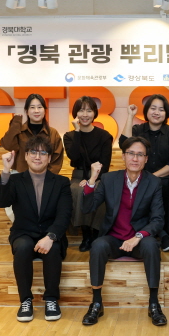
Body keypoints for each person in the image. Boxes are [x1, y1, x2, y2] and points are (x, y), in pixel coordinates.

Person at [81, 136, 167, 326]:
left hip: (138, 240)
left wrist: (138, 237)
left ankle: (154, 304)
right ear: (123, 156)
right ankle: (96, 303)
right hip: (114, 238)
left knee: (152, 245)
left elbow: (158, 219)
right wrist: (92, 179)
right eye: (131, 153)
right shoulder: (109, 179)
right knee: (97, 246)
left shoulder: (153, 182)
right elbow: (88, 208)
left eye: (140, 155)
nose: (135, 158)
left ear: (146, 159)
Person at [0, 135, 72, 322]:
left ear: (49, 158)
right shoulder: (15, 180)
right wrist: (6, 170)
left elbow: (64, 215)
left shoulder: (61, 182)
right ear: (26, 156)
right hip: (23, 232)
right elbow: (1, 201)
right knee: (22, 247)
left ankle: (51, 299)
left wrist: (51, 236)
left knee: (53, 250)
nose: (38, 156)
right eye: (33, 152)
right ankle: (25, 301)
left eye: (43, 153)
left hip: (50, 233)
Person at [119, 95, 169, 252]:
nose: (156, 112)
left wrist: (153, 177)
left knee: (164, 186)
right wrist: (130, 116)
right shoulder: (138, 130)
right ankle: (164, 234)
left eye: (161, 109)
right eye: (153, 108)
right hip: (142, 179)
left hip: (167, 177)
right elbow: (124, 144)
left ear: (166, 113)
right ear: (147, 111)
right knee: (152, 188)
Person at [63, 96, 113, 252]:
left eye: (89, 110)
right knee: (78, 190)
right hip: (78, 176)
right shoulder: (69, 136)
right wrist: (77, 132)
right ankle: (86, 235)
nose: (85, 114)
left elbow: (105, 165)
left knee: (99, 189)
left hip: (99, 175)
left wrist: (91, 179)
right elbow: (74, 156)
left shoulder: (104, 136)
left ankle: (97, 234)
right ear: (75, 113)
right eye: (81, 110)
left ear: (95, 113)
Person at [0, 93, 64, 174]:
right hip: (20, 175)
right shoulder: (19, 131)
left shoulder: (53, 133)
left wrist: (48, 177)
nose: (36, 111)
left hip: (44, 176)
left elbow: (57, 159)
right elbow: (8, 145)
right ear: (27, 111)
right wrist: (16, 121)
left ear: (44, 110)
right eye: (32, 107)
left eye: (39, 107)